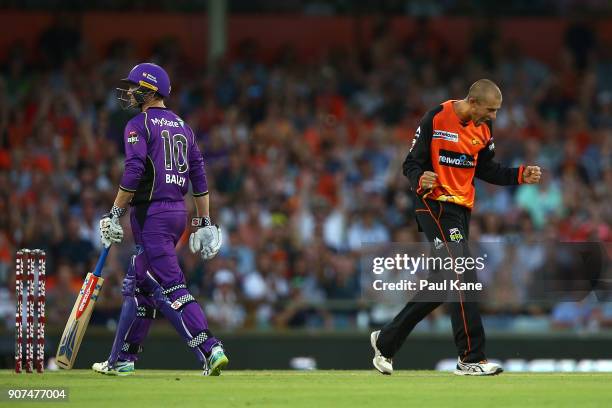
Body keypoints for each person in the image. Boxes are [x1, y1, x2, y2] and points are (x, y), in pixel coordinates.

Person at [370, 79, 541, 376]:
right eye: (491, 110)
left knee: (443, 283)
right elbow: (410, 163)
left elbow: (486, 169)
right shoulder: (436, 117)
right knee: (463, 271)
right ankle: (471, 358)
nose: (494, 117)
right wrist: (420, 178)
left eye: (497, 111)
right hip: (434, 204)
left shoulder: (483, 129)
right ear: (473, 102)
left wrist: (519, 175)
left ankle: (386, 341)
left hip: (461, 211)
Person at [92, 62, 228, 376]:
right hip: (177, 214)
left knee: (171, 286)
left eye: (134, 86)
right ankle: (121, 360)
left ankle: (211, 348)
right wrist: (203, 223)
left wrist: (114, 213)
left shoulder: (138, 124)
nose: (128, 92)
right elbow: (199, 177)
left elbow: (134, 170)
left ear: (150, 91)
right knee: (137, 285)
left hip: (152, 215)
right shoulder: (184, 127)